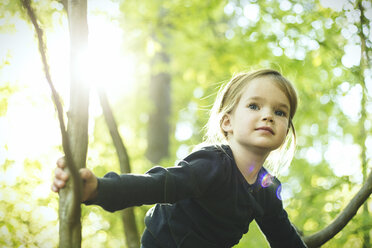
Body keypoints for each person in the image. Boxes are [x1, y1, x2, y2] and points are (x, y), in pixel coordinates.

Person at [52, 68, 308, 248]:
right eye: (254, 106)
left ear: (286, 133)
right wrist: (99, 188)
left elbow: (283, 236)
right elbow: (157, 184)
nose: (268, 116)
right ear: (227, 122)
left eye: (280, 111)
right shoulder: (213, 164)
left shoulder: (267, 188)